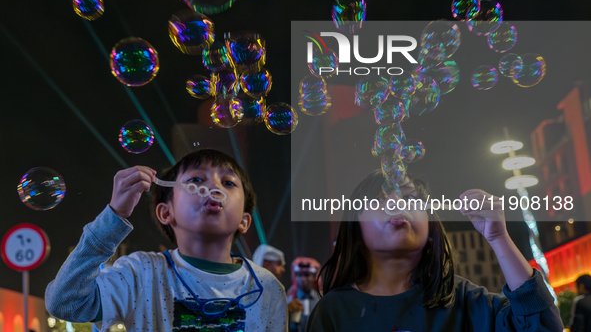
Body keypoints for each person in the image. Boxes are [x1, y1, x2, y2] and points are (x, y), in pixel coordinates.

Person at [45, 149, 288, 331]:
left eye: (228, 182)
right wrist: (114, 216)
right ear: (166, 213)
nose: (213, 186)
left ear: (244, 220)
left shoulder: (267, 286)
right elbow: (64, 302)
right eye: (196, 180)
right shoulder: (141, 273)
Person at [306, 170, 562, 332]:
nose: (397, 204)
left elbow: (541, 327)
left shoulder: (466, 301)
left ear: (430, 231)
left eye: (411, 199)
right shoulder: (333, 311)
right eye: (380, 199)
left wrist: (499, 238)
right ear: (356, 229)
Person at [287, 257, 321, 332]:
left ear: (314, 277)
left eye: (307, 275)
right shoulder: (288, 299)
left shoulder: (321, 299)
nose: (302, 279)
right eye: (299, 275)